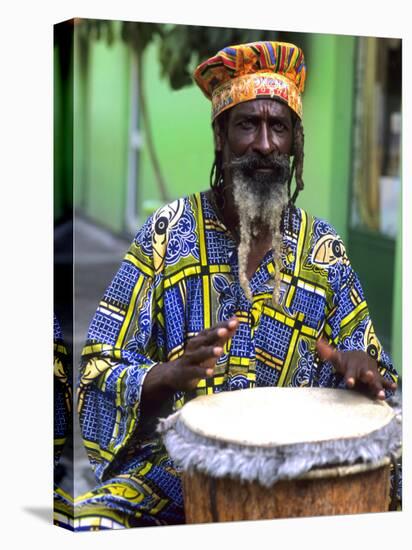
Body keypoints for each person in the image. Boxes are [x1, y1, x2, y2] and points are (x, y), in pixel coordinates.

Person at [74, 41, 399, 530]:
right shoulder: (167, 234)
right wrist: (166, 375)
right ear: (220, 136)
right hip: (178, 471)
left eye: (279, 127)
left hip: (303, 475)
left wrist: (365, 370)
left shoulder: (323, 250)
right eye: (248, 124)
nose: (265, 145)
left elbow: (381, 388)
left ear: (294, 142)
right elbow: (97, 370)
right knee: (85, 525)